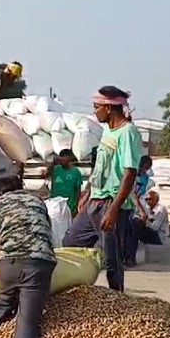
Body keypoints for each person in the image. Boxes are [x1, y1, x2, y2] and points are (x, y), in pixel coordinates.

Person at [61, 86, 143, 292]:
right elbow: (100, 166)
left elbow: (129, 173)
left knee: (112, 257)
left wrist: (114, 210)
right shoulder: (108, 131)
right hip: (95, 200)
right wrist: (88, 192)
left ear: (108, 108)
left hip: (111, 202)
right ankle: (77, 289)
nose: (94, 111)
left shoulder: (128, 132)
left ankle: (117, 297)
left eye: (96, 107)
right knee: (71, 241)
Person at [0, 176, 56, 338]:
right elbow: (45, 230)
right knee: (28, 319)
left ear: (0, 192)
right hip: (38, 264)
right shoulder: (37, 201)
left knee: (3, 302)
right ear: (21, 187)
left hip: (8, 264)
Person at [123, 155, 153, 267]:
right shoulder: (132, 175)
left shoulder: (144, 178)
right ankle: (124, 256)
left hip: (136, 208)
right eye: (144, 166)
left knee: (134, 232)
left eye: (148, 167)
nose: (145, 169)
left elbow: (138, 195)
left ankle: (130, 257)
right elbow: (131, 194)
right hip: (127, 206)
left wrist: (141, 211)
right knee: (124, 233)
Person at [125, 191, 168, 262]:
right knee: (132, 226)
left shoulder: (161, 210)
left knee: (136, 227)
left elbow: (155, 227)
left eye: (150, 199)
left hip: (159, 235)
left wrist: (144, 222)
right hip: (149, 231)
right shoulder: (146, 208)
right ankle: (129, 255)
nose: (148, 201)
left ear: (156, 200)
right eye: (146, 199)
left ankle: (131, 256)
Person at [46, 149, 83, 216]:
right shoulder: (56, 169)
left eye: (64, 158)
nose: (62, 160)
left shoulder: (75, 172)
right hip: (55, 205)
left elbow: (78, 190)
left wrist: (75, 205)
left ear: (69, 158)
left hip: (69, 205)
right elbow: (44, 175)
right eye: (61, 158)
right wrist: (53, 164)